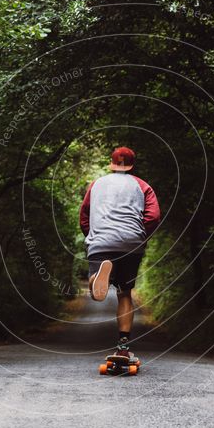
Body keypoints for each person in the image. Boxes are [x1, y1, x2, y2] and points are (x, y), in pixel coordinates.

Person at [79, 146, 161, 360]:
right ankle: (123, 345)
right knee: (125, 293)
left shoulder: (96, 185)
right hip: (131, 243)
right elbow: (153, 217)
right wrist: (140, 237)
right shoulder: (142, 186)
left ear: (112, 163)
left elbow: (84, 215)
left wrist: (93, 237)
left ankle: (97, 277)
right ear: (132, 164)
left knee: (96, 287)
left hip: (101, 242)